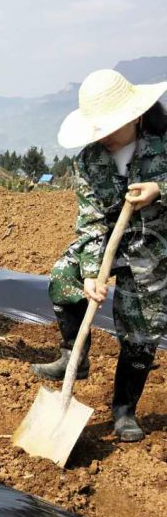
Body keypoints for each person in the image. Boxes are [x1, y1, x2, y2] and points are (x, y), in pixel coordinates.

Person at [30, 69, 167, 442]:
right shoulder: (89, 161)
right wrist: (92, 272)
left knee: (142, 330)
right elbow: (89, 222)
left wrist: (160, 189)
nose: (104, 136)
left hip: (155, 246)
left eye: (111, 127)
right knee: (63, 277)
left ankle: (125, 409)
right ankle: (75, 355)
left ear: (136, 116)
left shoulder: (163, 145)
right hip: (108, 241)